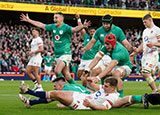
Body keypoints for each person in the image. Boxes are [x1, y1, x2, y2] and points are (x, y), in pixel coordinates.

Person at [20, 12, 90, 84]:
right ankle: (77, 88)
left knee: (57, 71)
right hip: (57, 55)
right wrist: (29, 20)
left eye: (56, 18)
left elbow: (75, 29)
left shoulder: (66, 27)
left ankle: (64, 87)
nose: (54, 19)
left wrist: (82, 26)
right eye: (54, 18)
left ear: (61, 19)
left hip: (65, 54)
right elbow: (41, 25)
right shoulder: (53, 27)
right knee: (67, 75)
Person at [19, 77, 119, 110]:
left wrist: (91, 105)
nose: (103, 87)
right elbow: (94, 87)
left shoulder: (113, 96)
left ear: (113, 87)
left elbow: (104, 108)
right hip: (82, 96)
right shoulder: (104, 88)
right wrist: (89, 80)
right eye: (104, 85)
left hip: (82, 104)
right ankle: (30, 101)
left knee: (57, 95)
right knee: (55, 93)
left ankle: (28, 91)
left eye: (106, 86)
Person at [130, 14, 160, 93]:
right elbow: (143, 43)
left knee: (145, 73)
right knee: (147, 73)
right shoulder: (145, 31)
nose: (144, 24)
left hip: (153, 53)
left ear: (150, 20)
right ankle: (154, 73)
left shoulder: (157, 30)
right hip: (145, 55)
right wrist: (136, 52)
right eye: (143, 22)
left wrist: (153, 44)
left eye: (145, 22)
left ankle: (155, 91)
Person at [19, 76, 92, 108]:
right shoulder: (73, 85)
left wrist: (64, 105)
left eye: (55, 86)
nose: (54, 88)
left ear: (60, 84)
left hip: (86, 102)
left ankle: (28, 91)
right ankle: (30, 102)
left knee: (53, 96)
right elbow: (88, 90)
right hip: (91, 97)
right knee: (53, 97)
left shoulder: (65, 89)